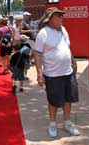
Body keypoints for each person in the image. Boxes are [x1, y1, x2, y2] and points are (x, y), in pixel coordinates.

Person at [34, 7, 80, 138]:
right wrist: (39, 73)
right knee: (53, 101)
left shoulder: (63, 30)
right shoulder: (43, 33)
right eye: (58, 16)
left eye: (61, 15)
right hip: (52, 74)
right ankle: (52, 124)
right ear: (50, 20)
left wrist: (72, 59)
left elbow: (67, 47)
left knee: (68, 99)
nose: (61, 18)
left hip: (68, 72)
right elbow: (37, 54)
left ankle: (67, 123)